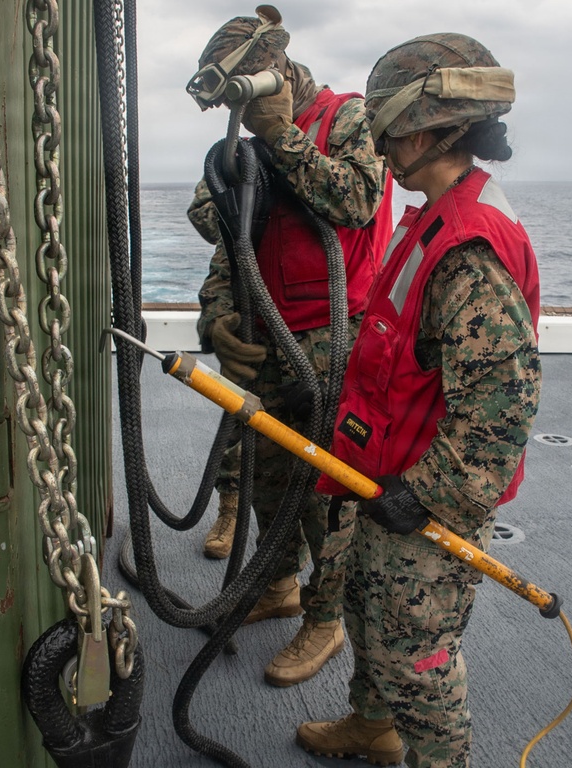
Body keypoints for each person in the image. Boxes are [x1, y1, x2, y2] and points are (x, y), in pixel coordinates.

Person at [296, 33, 541, 766]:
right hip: (384, 477)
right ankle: (372, 726)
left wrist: (425, 497)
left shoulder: (468, 243)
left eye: (391, 129)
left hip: (424, 497)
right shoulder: (432, 214)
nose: (379, 144)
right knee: (369, 615)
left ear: (437, 129)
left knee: (416, 655)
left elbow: (501, 411)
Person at [186, 5, 394, 686]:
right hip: (268, 333)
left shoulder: (345, 118)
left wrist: (285, 138)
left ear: (276, 67)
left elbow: (358, 202)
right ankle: (276, 586)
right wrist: (216, 321)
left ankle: (324, 618)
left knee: (329, 494)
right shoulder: (243, 138)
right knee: (269, 473)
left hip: (338, 338)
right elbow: (229, 239)